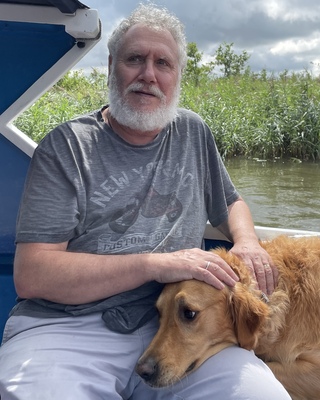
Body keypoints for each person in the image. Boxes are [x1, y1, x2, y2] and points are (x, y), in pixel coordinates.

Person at [0, 4, 290, 400]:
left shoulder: (192, 132)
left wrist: (248, 242)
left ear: (177, 76)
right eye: (135, 59)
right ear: (111, 66)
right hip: (70, 327)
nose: (148, 75)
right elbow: (32, 274)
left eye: (163, 63)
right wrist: (156, 264)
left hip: (179, 324)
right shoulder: (67, 147)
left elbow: (230, 202)